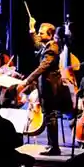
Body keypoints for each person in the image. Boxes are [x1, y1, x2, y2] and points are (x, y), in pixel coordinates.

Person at [17, 18, 65, 155]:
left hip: (50, 88)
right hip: (46, 86)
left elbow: (42, 68)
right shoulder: (48, 45)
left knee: (51, 116)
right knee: (49, 115)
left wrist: (26, 81)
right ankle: (52, 145)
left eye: (41, 33)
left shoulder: (52, 49)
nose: (39, 35)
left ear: (50, 35)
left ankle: (54, 147)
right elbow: (37, 43)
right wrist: (31, 28)